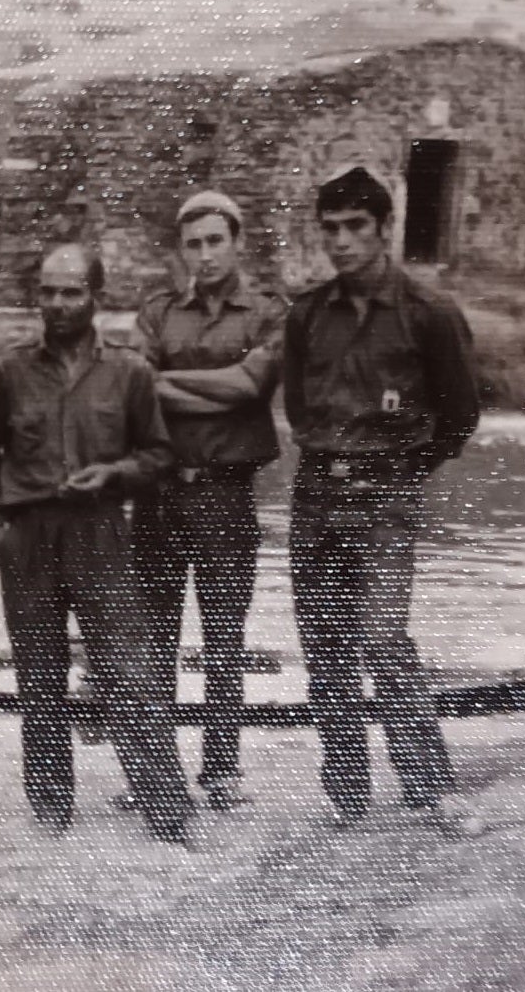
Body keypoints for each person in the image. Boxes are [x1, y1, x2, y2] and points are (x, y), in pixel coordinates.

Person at [0, 243, 195, 844]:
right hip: (28, 540)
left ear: (96, 296)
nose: (57, 304)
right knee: (39, 683)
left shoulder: (130, 371)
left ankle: (168, 819)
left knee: (129, 676)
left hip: (101, 535)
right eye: (47, 291)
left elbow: (161, 456)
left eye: (71, 292)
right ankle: (51, 819)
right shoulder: (10, 369)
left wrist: (113, 474)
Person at [281, 166, 482, 832]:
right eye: (329, 228)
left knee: (383, 639)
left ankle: (428, 788)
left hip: (385, 496)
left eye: (354, 227)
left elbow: (457, 417)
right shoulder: (307, 314)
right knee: (324, 649)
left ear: (383, 228)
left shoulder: (428, 314)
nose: (340, 242)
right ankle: (347, 795)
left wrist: (403, 471)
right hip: (315, 495)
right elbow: (296, 406)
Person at [132, 191, 288, 812]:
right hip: (161, 492)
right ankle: (158, 773)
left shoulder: (266, 313)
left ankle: (221, 773)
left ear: (238, 242)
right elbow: (134, 389)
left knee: (225, 640)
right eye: (193, 244)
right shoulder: (159, 312)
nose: (205, 254)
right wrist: (221, 391)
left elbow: (255, 385)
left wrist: (170, 383)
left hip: (227, 495)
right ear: (182, 250)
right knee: (155, 637)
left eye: (215, 241)